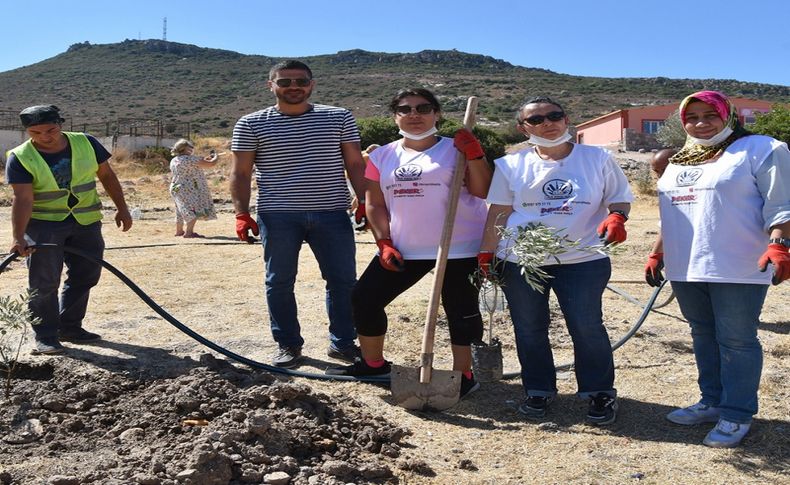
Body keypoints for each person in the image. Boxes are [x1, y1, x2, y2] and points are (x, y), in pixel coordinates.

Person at [644, 90, 790, 448]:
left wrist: (780, 244)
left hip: (738, 263)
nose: (700, 122)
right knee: (702, 334)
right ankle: (712, 401)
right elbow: (673, 214)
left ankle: (737, 413)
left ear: (728, 114)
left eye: (710, 114)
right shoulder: (679, 159)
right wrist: (657, 253)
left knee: (737, 340)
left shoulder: (762, 148)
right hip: (685, 265)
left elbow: (783, 202)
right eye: (692, 116)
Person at [326, 88, 492, 399]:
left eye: (423, 107)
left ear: (436, 114)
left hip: (458, 246)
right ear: (395, 116)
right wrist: (384, 241)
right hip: (405, 246)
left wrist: (476, 155)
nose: (414, 114)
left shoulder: (455, 149)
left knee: (461, 310)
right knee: (364, 298)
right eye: (405, 109)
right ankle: (373, 364)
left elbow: (483, 190)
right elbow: (374, 203)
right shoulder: (382, 155)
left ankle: (464, 375)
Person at [478, 96, 633, 425]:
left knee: (587, 326)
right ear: (523, 128)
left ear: (566, 119)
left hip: (583, 259)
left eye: (554, 115)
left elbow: (618, 198)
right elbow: (500, 212)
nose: (547, 123)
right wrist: (486, 252)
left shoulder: (597, 158)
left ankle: (599, 391)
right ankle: (538, 390)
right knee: (529, 328)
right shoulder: (511, 165)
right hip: (523, 260)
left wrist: (617, 217)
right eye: (536, 119)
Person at [230, 60, 367, 368]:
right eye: (285, 82)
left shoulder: (338, 117)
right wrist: (241, 213)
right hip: (277, 214)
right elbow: (239, 173)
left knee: (343, 280)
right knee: (279, 281)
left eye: (300, 81)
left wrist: (365, 201)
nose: (293, 87)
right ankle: (288, 345)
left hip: (332, 212)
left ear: (311, 84)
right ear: (271, 86)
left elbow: (356, 165)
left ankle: (343, 343)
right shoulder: (250, 123)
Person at [5, 105, 132, 355]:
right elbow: (23, 199)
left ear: (61, 123)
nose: (44, 137)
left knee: (87, 274)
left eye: (50, 130)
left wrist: (122, 208)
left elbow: (107, 176)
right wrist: (19, 236)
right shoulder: (20, 156)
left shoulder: (86, 143)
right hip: (43, 226)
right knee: (43, 282)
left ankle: (70, 326)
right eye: (35, 132)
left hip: (86, 221)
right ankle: (46, 335)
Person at [169, 139, 218, 238]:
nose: (192, 148)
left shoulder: (175, 160)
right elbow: (211, 164)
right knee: (192, 210)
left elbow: (199, 163)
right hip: (188, 188)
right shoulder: (190, 159)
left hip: (176, 187)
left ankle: (179, 231)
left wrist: (204, 159)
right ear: (185, 148)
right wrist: (216, 157)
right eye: (190, 147)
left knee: (180, 210)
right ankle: (189, 232)